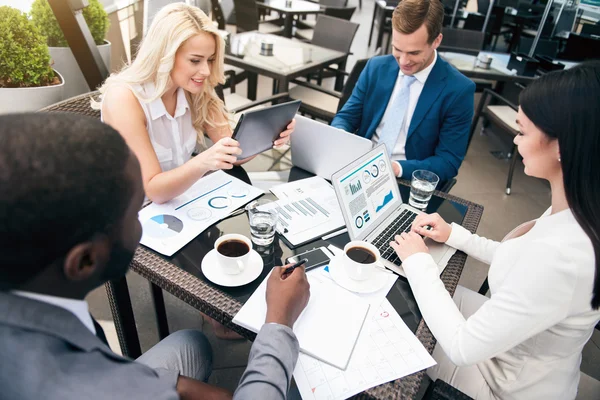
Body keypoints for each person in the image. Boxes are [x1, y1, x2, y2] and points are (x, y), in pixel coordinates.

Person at [0, 113, 310, 400]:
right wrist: (279, 320)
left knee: (191, 344)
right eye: (136, 212)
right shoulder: (81, 385)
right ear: (84, 261)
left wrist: (179, 385)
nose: (143, 223)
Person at [390, 62, 600, 399]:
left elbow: (461, 347)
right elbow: (521, 260)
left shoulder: (563, 257)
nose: (514, 140)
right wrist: (454, 235)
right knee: (410, 299)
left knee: (389, 330)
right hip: (513, 348)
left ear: (561, 145)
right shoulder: (580, 206)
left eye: (522, 131)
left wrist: (418, 262)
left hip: (504, 383)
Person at [97, 3, 294, 205]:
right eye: (195, 60)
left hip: (179, 203)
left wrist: (269, 134)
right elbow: (154, 189)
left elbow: (233, 153)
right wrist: (203, 161)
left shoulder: (195, 90)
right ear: (164, 55)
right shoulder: (124, 99)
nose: (207, 71)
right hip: (130, 214)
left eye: (210, 60)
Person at [331, 0, 475, 184]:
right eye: (397, 49)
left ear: (436, 41)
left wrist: (396, 168)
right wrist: (339, 135)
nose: (404, 61)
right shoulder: (376, 68)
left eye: (414, 53)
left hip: (406, 179)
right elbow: (346, 117)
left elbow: (448, 161)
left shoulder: (458, 90)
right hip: (358, 169)